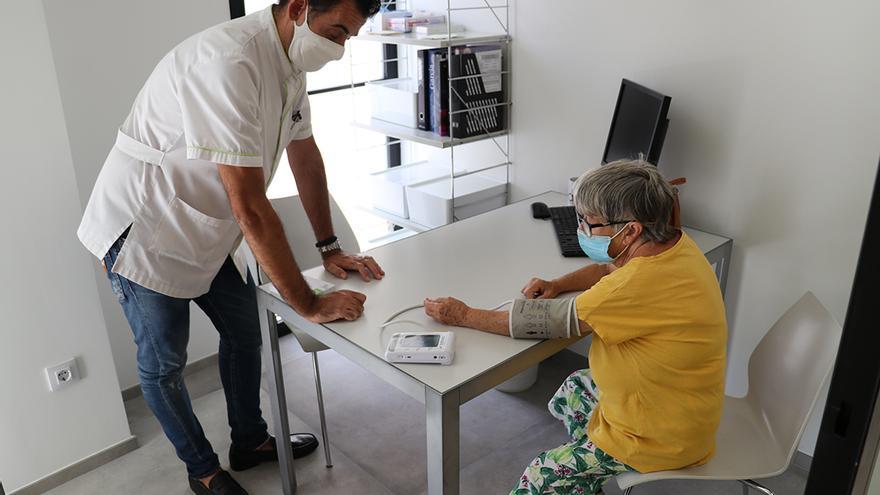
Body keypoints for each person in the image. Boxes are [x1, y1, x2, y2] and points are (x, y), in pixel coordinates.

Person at [77, 1, 382, 493]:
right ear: (300, 7)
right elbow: (252, 207)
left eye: (350, 37)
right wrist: (307, 304)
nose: (340, 48)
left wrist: (329, 246)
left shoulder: (288, 65)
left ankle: (250, 441)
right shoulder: (227, 61)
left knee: (245, 334)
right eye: (337, 32)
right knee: (164, 366)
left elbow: (304, 155)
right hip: (147, 230)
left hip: (206, 225)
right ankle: (203, 472)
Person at [424, 160, 727, 495]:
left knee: (541, 477)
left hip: (660, 435)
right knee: (573, 391)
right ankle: (584, 481)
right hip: (679, 405)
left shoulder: (635, 285)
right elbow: (608, 269)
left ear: (630, 231)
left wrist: (463, 314)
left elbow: (546, 322)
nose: (582, 229)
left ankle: (578, 474)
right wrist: (557, 283)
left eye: (590, 222)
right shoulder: (671, 247)